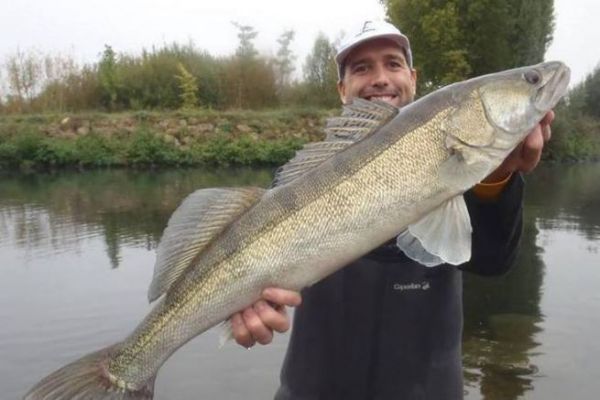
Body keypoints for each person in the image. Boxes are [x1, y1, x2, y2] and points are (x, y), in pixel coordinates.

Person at [229, 20, 555, 399]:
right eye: (362, 68)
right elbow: (251, 274)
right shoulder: (300, 181)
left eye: (393, 64)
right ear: (342, 89)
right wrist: (247, 305)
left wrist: (499, 177)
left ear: (413, 79)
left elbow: (492, 259)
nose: (380, 78)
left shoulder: (459, 166)